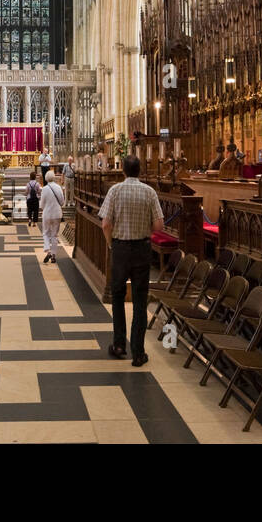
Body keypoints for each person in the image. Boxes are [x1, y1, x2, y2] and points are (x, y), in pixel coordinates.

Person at [98, 155, 163, 367]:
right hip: (142, 249)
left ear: (123, 171)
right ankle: (138, 352)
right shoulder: (149, 192)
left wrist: (111, 244)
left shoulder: (115, 191)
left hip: (120, 248)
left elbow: (106, 224)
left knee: (117, 296)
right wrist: (144, 232)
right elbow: (159, 225)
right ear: (140, 170)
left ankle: (118, 345)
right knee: (139, 300)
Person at [39, 169, 65, 263]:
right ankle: (53, 255)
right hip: (57, 214)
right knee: (54, 235)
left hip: (47, 214)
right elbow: (62, 202)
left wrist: (44, 208)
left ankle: (48, 251)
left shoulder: (45, 189)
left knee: (46, 233)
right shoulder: (58, 187)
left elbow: (42, 205)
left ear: (46, 178)